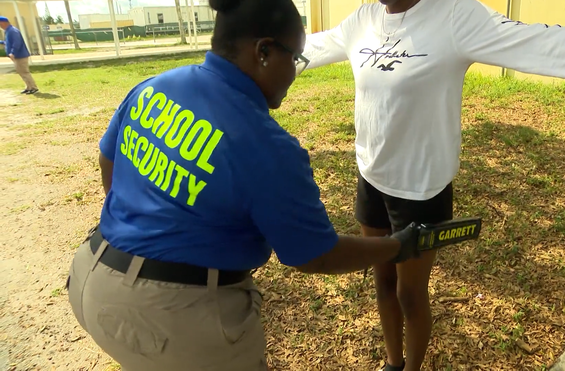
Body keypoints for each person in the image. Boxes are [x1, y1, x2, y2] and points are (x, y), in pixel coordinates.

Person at [64, 0, 425, 370]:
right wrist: (393, 247)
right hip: (168, 317)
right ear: (264, 52)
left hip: (91, 277)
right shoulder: (266, 145)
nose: (295, 72)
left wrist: (138, 224)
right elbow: (316, 255)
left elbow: (109, 160)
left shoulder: (154, 87)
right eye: (295, 59)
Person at [301, 0, 565, 369]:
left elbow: (543, 44)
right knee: (381, 282)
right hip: (371, 176)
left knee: (409, 293)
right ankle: (393, 363)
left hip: (421, 190)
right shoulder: (364, 18)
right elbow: (308, 48)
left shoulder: (454, 15)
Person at [0, 16, 38, 94]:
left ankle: (33, 88)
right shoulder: (8, 31)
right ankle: (28, 87)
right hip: (17, 56)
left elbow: (17, 43)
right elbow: (9, 42)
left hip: (20, 55)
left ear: (3, 23)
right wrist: (1, 42)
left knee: (24, 72)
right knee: (21, 72)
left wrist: (13, 52)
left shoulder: (12, 31)